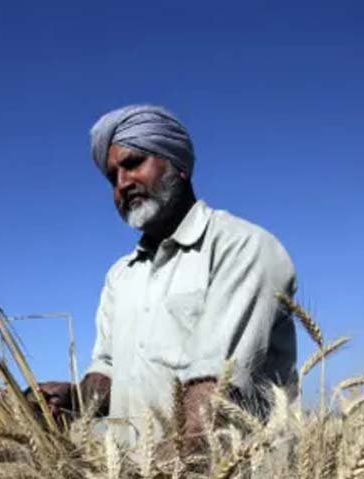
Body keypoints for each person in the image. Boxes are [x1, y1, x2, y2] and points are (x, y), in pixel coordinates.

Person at [29, 104, 298, 451]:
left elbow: (214, 392)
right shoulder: (120, 276)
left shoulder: (240, 246)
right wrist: (74, 399)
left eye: (133, 163)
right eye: (112, 177)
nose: (123, 184)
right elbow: (109, 371)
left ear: (177, 164)